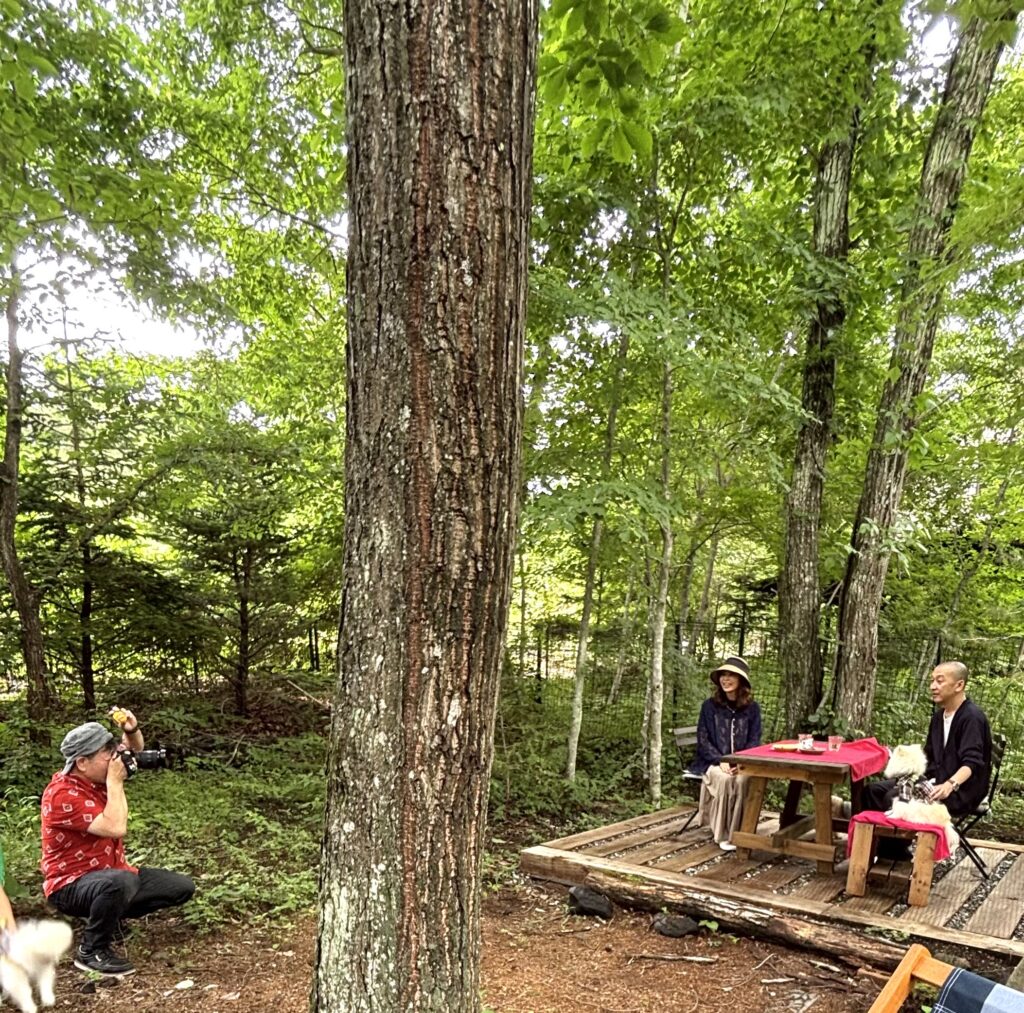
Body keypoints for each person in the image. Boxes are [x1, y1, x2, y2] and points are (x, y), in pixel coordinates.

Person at [40, 709, 195, 977]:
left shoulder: (95, 775)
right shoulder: (62, 796)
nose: (115, 759)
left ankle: (109, 919)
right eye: (107, 754)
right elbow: (115, 827)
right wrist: (115, 780)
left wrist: (131, 730)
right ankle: (91, 951)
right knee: (119, 883)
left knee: (180, 887)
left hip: (111, 872)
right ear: (82, 762)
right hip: (70, 883)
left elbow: (132, 750)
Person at [860, 661, 992, 855]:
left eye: (940, 681)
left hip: (961, 790)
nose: (933, 686)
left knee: (894, 797)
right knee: (871, 791)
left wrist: (950, 784)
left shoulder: (971, 717)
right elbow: (929, 756)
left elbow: (972, 762)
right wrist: (906, 771)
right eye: (932, 681)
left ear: (959, 685)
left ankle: (893, 856)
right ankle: (885, 851)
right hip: (934, 781)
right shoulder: (939, 717)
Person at [689, 656, 762, 851]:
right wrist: (720, 760)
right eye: (723, 675)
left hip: (741, 763)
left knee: (742, 780)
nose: (726, 679)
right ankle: (722, 834)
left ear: (741, 681)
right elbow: (703, 740)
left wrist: (740, 763)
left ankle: (739, 831)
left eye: (731, 675)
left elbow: (754, 740)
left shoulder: (752, 709)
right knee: (724, 780)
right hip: (711, 762)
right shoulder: (709, 706)